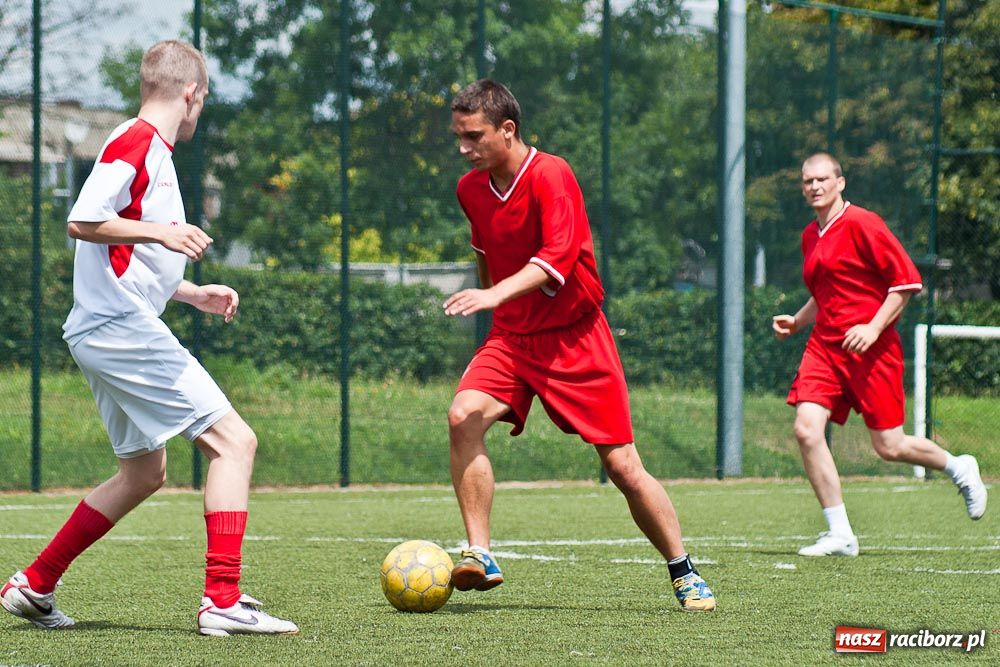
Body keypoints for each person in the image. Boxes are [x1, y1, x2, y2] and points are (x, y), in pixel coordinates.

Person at [1, 40, 298, 636]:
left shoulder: (151, 152)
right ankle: (223, 600)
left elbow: (124, 258)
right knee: (234, 443)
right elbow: (82, 220)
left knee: (143, 472)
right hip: (116, 329)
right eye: (204, 99)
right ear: (192, 93)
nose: (201, 110)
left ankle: (34, 584)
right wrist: (163, 232)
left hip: (105, 326)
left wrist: (190, 292)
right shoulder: (137, 141)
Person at [443, 79, 715, 612]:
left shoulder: (551, 174)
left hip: (576, 341)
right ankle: (480, 551)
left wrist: (492, 293)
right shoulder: (469, 189)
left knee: (623, 467)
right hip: (513, 339)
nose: (463, 148)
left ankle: (683, 570)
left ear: (508, 129)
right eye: (458, 137)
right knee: (462, 416)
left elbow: (556, 259)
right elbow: (486, 254)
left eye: (473, 136)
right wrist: (493, 303)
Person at [773, 152, 988, 557]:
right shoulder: (810, 235)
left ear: (840, 182)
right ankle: (841, 533)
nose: (815, 186)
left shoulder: (863, 223)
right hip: (824, 348)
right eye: (807, 181)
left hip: (873, 350)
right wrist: (798, 322)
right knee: (806, 429)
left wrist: (873, 327)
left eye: (822, 179)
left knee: (889, 446)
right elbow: (825, 295)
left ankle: (959, 466)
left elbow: (906, 282)